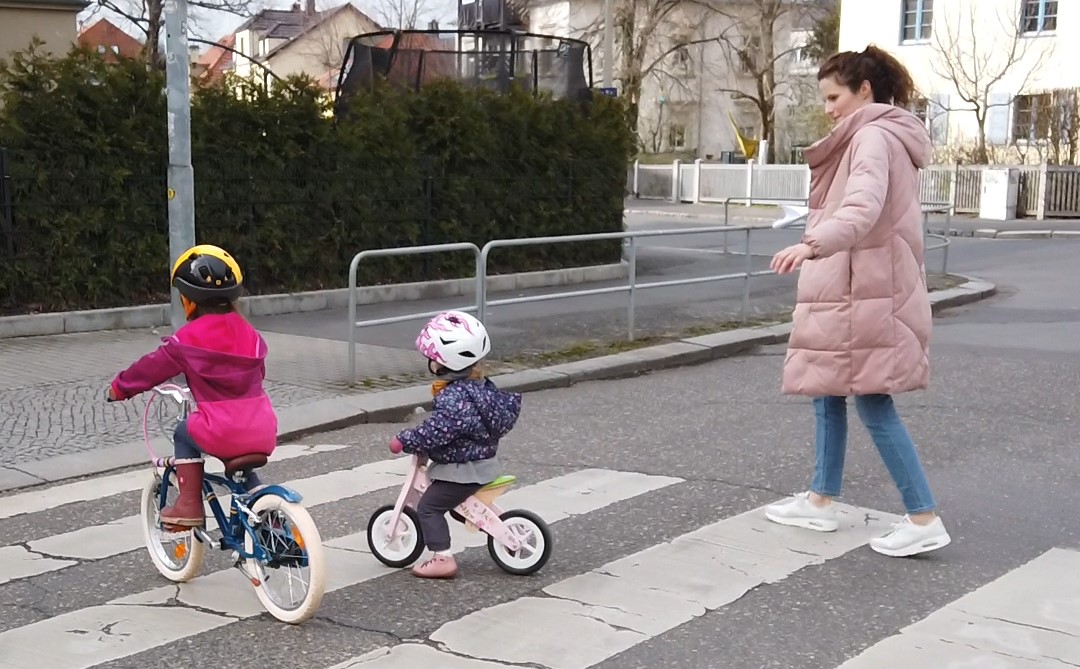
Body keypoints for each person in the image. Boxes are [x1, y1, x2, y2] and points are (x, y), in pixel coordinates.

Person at [764, 45, 951, 557]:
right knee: (827, 391)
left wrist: (811, 243)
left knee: (872, 400)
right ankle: (821, 500)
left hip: (864, 291)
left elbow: (864, 209)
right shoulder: (880, 135)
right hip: (856, 288)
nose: (827, 108)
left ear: (863, 90)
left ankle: (923, 516)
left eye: (833, 96)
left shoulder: (871, 136)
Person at [107, 244, 277, 528]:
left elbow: (150, 369)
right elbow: (258, 372)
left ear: (189, 300)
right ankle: (272, 518)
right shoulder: (252, 334)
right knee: (243, 471)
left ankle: (188, 506)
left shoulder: (186, 341)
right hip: (263, 427)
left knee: (184, 433)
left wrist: (120, 387)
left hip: (221, 429)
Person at [388, 310, 522, 579]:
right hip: (483, 463)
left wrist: (405, 439)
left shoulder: (454, 397)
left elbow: (439, 429)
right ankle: (489, 528)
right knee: (458, 507)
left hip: (462, 471)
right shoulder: (482, 388)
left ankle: (442, 558)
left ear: (441, 363)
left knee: (428, 507)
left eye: (431, 358)